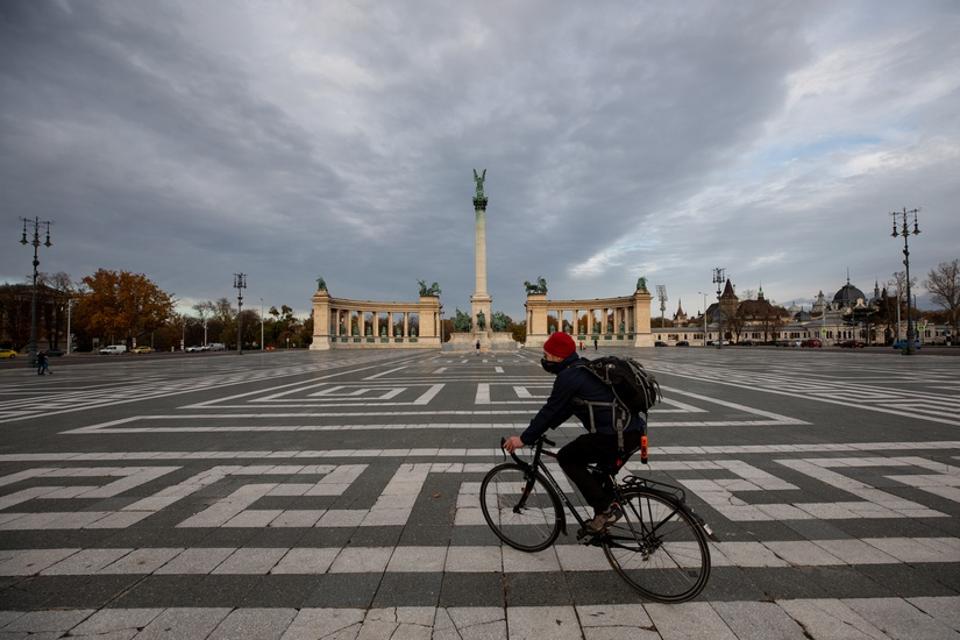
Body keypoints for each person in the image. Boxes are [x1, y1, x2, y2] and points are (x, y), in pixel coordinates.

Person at [503, 332, 644, 534]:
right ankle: (604, 515)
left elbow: (550, 410)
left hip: (614, 436)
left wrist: (524, 439)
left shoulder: (568, 377)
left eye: (547, 355)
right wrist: (544, 429)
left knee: (568, 457)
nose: (545, 360)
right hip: (633, 432)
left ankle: (606, 510)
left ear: (559, 357)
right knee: (599, 475)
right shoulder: (583, 367)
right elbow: (566, 409)